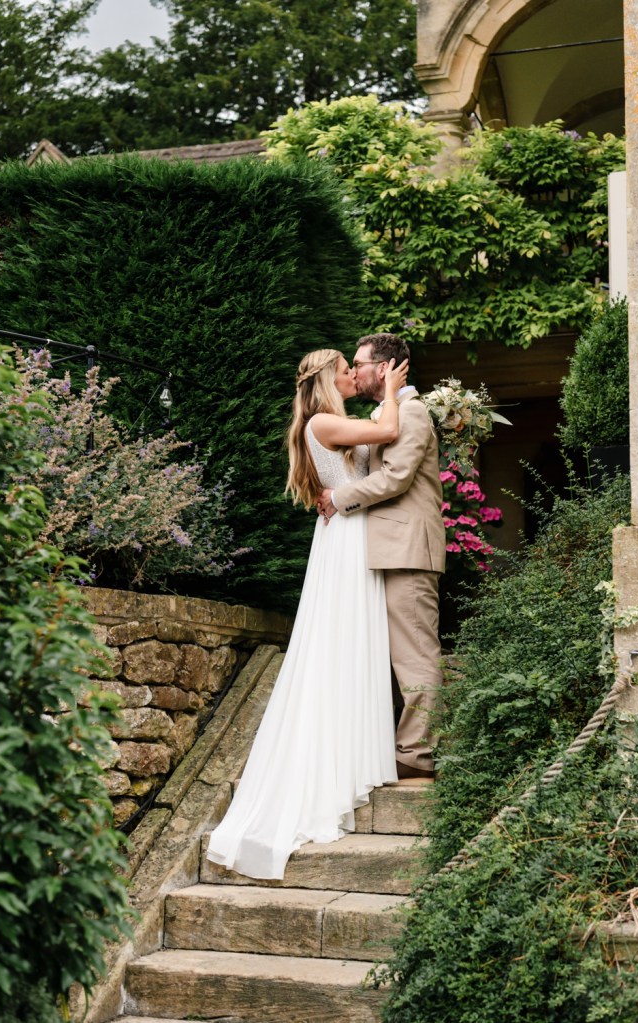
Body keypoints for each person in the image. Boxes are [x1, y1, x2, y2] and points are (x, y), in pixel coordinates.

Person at [206, 348, 409, 880]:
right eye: (346, 370)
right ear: (326, 378)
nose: (352, 375)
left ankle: (356, 756)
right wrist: (391, 391)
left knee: (350, 647)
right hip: (344, 541)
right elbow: (387, 432)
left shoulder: (332, 421)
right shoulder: (323, 420)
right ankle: (337, 767)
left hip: (346, 532)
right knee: (340, 647)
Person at [318, 333, 445, 782]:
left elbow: (395, 479)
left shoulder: (411, 412)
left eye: (360, 363)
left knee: (415, 656)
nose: (354, 372)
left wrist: (339, 496)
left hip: (407, 550)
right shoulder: (389, 411)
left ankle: (416, 755)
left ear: (386, 367)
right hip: (384, 551)